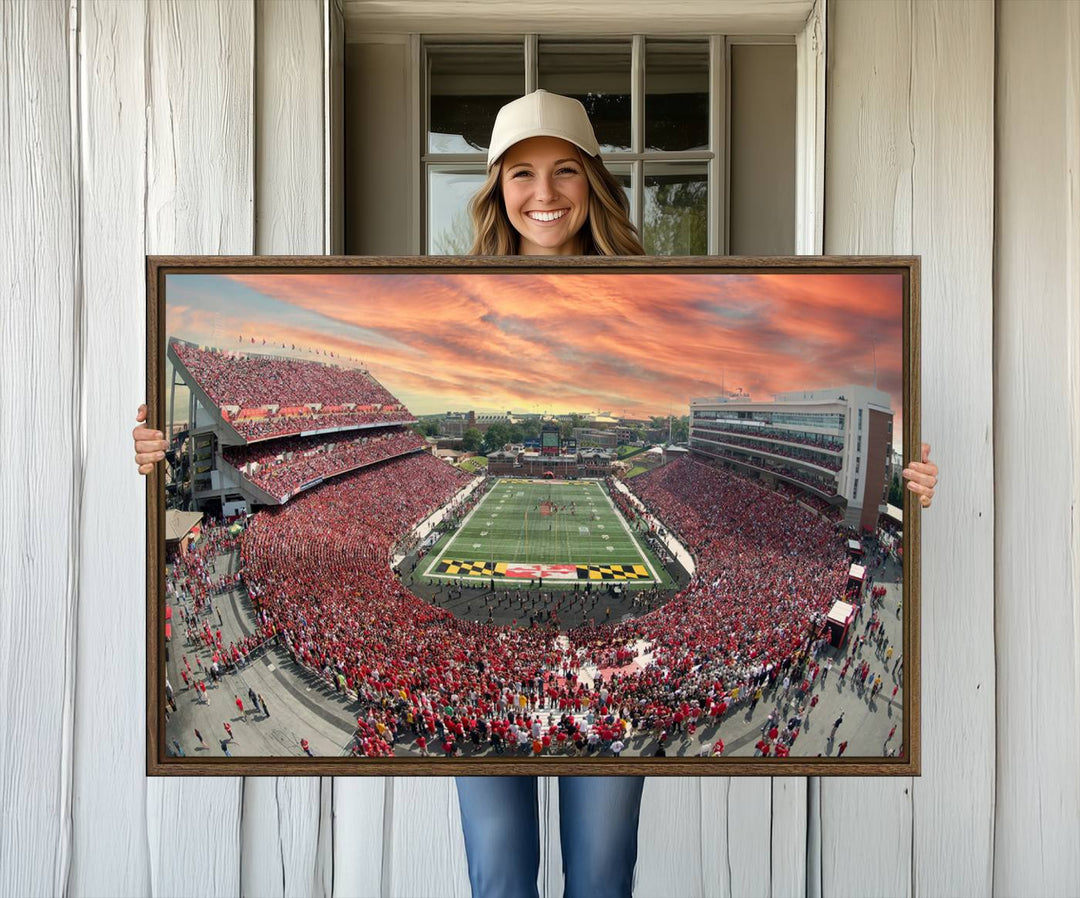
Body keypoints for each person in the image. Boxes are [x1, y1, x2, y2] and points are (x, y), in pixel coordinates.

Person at [131, 89, 939, 898]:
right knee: (500, 875)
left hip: (593, 722)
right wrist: (168, 448)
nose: (544, 193)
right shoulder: (453, 290)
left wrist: (899, 479)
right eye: (521, 173)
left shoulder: (654, 289)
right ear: (495, 188)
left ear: (592, 181)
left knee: (599, 875)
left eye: (563, 172)